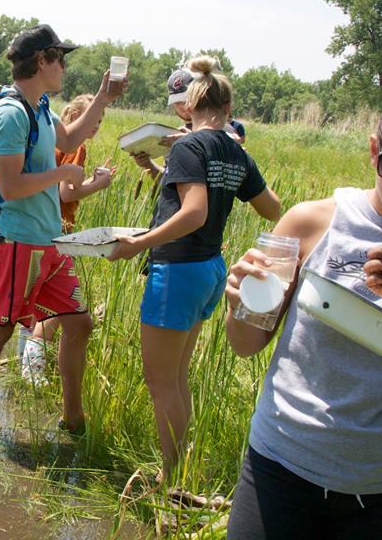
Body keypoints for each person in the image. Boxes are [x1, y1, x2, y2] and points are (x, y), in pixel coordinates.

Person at [223, 72, 382, 539]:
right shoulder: (310, 223)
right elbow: (246, 344)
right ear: (372, 151)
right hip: (282, 463)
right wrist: (241, 302)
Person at [107, 56, 280, 480]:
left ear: (191, 103)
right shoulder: (234, 150)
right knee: (177, 376)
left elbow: (195, 212)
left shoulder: (188, 146)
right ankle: (180, 468)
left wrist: (138, 245)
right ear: (226, 106)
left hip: (178, 271)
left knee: (160, 381)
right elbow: (272, 208)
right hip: (210, 269)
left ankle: (169, 479)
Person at [0, 24, 125, 436]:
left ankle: (73, 418)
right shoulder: (9, 113)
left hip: (49, 242)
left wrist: (104, 97)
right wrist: (62, 171)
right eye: (61, 58)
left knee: (79, 324)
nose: (64, 68)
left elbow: (72, 134)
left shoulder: (40, 108)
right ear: (42, 60)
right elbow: (11, 185)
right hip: (18, 241)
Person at [20, 93, 116, 383]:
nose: (96, 125)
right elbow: (66, 192)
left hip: (36, 225)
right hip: (58, 229)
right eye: (92, 119)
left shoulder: (49, 137)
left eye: (100, 120)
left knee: (34, 300)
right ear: (74, 118)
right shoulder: (77, 147)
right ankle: (33, 372)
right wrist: (98, 185)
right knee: (60, 306)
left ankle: (25, 362)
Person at [132, 67, 243, 181]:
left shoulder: (220, 126)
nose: (181, 105)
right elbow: (169, 182)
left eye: (185, 100)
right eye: (177, 102)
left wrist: (190, 141)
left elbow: (235, 144)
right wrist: (149, 165)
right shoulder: (174, 135)